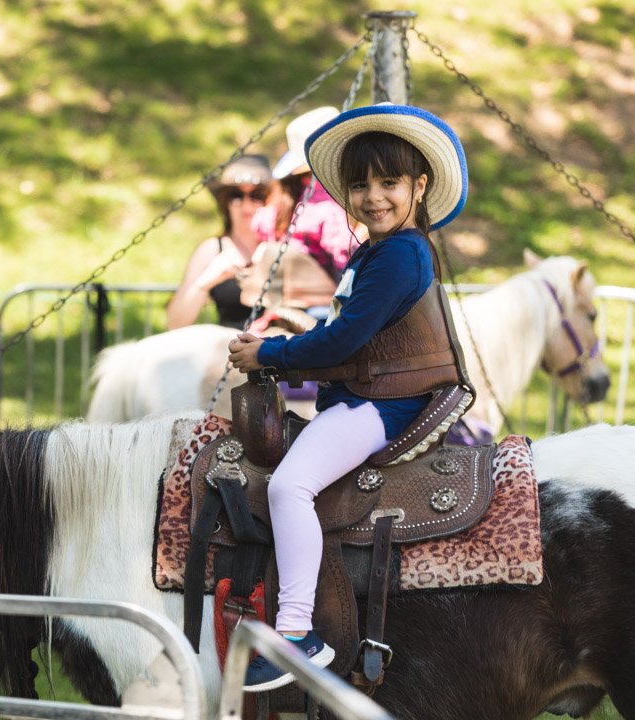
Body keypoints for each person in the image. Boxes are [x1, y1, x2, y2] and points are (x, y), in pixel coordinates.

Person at [227, 103, 469, 691]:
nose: (373, 197)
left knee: (290, 486)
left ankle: (295, 635)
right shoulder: (379, 251)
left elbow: (348, 337)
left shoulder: (400, 256)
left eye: (390, 182)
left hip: (381, 405)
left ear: (420, 185)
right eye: (360, 185)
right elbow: (350, 339)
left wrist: (269, 355)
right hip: (366, 393)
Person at [252, 107, 361, 301]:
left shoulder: (283, 202)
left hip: (285, 294)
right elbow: (344, 253)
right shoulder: (327, 208)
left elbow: (260, 225)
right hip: (320, 297)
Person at [166, 155, 271, 329]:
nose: (246, 205)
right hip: (229, 351)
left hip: (280, 350)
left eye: (256, 195)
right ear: (225, 202)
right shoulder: (211, 249)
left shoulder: (286, 246)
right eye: (236, 195)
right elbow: (174, 323)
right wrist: (205, 282)